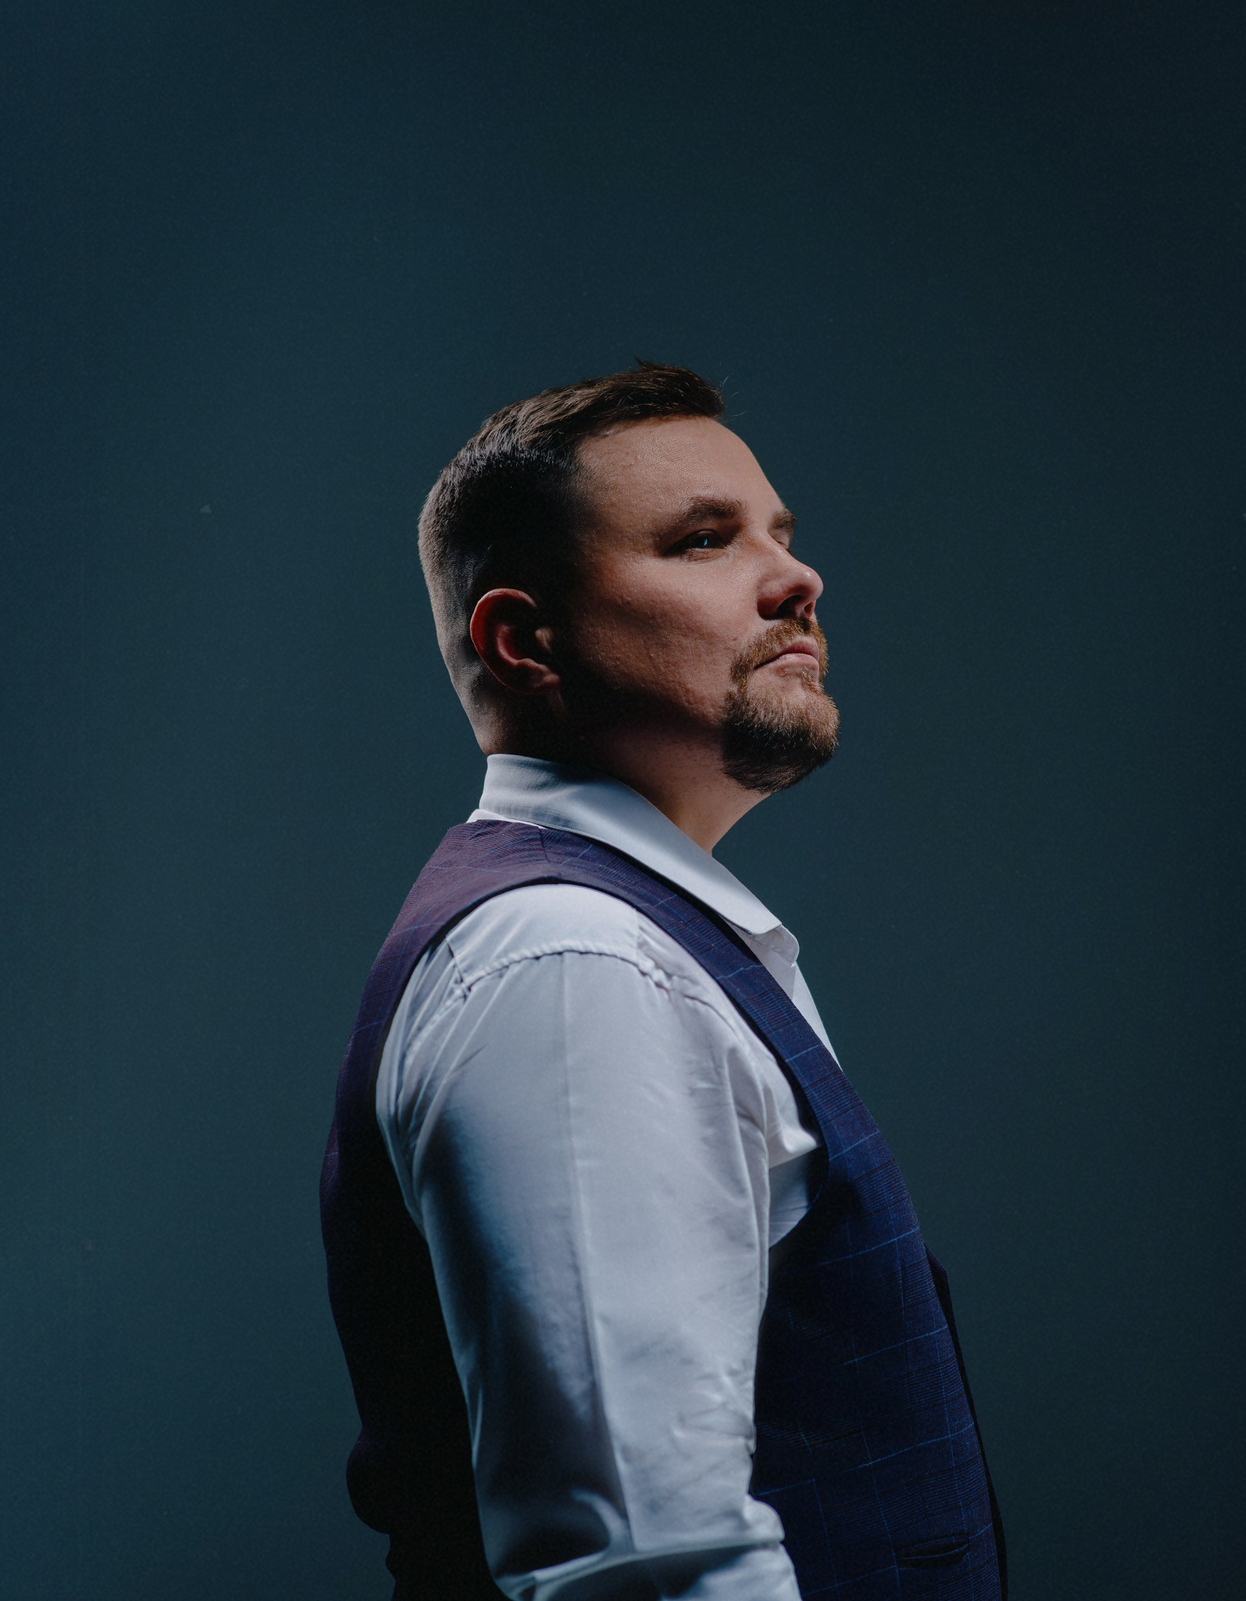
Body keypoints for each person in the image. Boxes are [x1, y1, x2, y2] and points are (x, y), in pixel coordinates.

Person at [321, 362, 1006, 1601]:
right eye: (703, 541)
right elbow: (642, 1564)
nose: (796, 578)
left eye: (780, 534)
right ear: (524, 640)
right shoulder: (574, 965)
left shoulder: (636, 937)